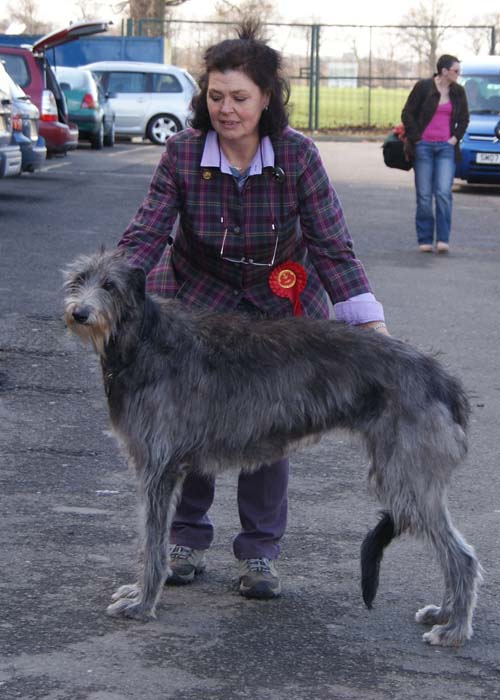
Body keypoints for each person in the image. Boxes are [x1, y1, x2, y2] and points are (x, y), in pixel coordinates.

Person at [117, 20, 387, 600]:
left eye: (240, 97)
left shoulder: (297, 156)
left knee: (269, 424)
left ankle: (259, 555)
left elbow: (331, 244)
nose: (226, 109)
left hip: (279, 300)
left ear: (267, 99)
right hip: (196, 299)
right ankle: (185, 542)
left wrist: (368, 324)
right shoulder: (183, 154)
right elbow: (147, 233)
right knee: (185, 421)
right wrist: (110, 287)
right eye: (215, 96)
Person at [402, 54, 469, 254]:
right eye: (456, 71)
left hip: (446, 149)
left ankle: (442, 239)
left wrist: (455, 138)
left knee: (443, 194)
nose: (459, 74)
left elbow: (465, 119)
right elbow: (407, 113)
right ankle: (424, 239)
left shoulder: (458, 92)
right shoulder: (423, 87)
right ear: (444, 71)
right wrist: (416, 139)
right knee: (424, 195)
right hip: (423, 147)